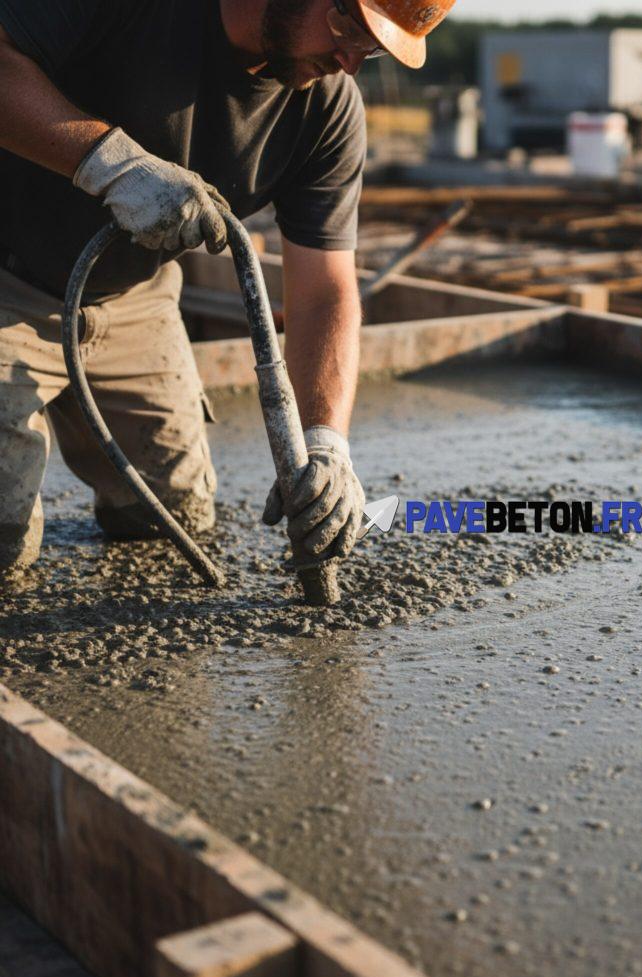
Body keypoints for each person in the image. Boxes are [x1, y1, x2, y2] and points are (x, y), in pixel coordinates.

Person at [0, 0, 454, 573]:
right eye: (348, 29)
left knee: (174, 517)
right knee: (4, 541)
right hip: (6, 279)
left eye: (371, 49)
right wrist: (109, 164)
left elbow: (324, 292)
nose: (349, 62)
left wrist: (325, 443)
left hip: (134, 297)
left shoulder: (326, 111)